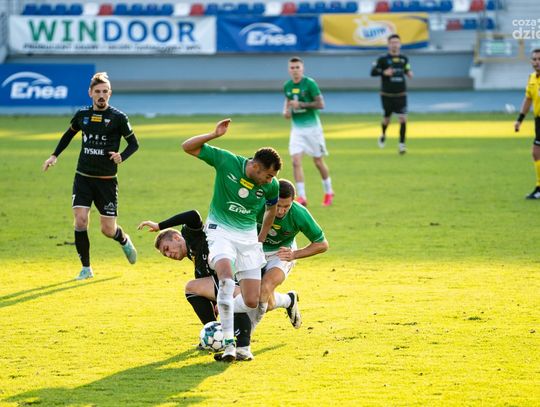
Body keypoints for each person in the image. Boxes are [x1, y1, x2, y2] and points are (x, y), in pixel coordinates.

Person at [182, 118, 282, 362]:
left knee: (252, 300)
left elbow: (271, 209)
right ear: (256, 166)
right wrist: (213, 134)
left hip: (247, 237)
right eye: (268, 175)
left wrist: (260, 238)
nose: (270, 180)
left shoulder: (271, 187)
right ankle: (228, 345)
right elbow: (187, 147)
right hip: (220, 230)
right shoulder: (227, 161)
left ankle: (230, 314)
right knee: (226, 280)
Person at [42, 72, 139, 280]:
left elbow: (134, 144)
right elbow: (68, 135)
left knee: (107, 229)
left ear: (110, 93)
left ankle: (123, 239)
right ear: (90, 93)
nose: (101, 95)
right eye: (97, 92)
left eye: (105, 91)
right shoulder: (82, 115)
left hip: (106, 181)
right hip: (83, 178)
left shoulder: (119, 118)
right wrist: (54, 155)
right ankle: (86, 268)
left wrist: (121, 156)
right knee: (80, 220)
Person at [138, 210, 254, 361]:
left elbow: (193, 215)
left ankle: (237, 344)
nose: (169, 255)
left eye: (167, 248)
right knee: (206, 292)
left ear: (176, 238)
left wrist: (159, 226)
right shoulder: (196, 263)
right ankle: (216, 336)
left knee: (194, 288)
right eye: (165, 255)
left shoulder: (191, 236)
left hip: (242, 276)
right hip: (238, 280)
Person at [255, 179, 328, 330]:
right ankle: (288, 300)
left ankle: (244, 337)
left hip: (280, 254)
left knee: (264, 289)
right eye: (278, 206)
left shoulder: (299, 213)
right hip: (254, 252)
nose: (281, 211)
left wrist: (294, 254)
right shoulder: (257, 205)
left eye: (286, 206)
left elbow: (322, 244)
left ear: (293, 202)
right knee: (262, 301)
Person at [283, 56, 334, 207]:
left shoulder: (310, 83)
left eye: (297, 67)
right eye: (292, 68)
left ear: (302, 68)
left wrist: (301, 104)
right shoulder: (287, 86)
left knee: (318, 162)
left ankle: (328, 191)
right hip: (297, 131)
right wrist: (286, 111)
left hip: (313, 130)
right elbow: (288, 101)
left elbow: (321, 104)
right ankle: (302, 197)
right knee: (295, 161)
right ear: (289, 70)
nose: (295, 70)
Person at [371, 34, 413, 154]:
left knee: (403, 118)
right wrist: (384, 72)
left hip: (401, 94)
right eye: (392, 42)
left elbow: (407, 68)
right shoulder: (382, 59)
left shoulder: (404, 59)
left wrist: (409, 72)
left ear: (400, 44)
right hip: (387, 95)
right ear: (388, 45)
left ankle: (402, 144)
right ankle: (383, 134)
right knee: (386, 120)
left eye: (397, 42)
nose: (395, 45)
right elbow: (373, 72)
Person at [514, 49, 540, 199]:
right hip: (538, 120)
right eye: (534, 59)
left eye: (539, 59)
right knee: (536, 153)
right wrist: (519, 119)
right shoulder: (531, 78)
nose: (537, 62)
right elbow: (528, 99)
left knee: (536, 151)